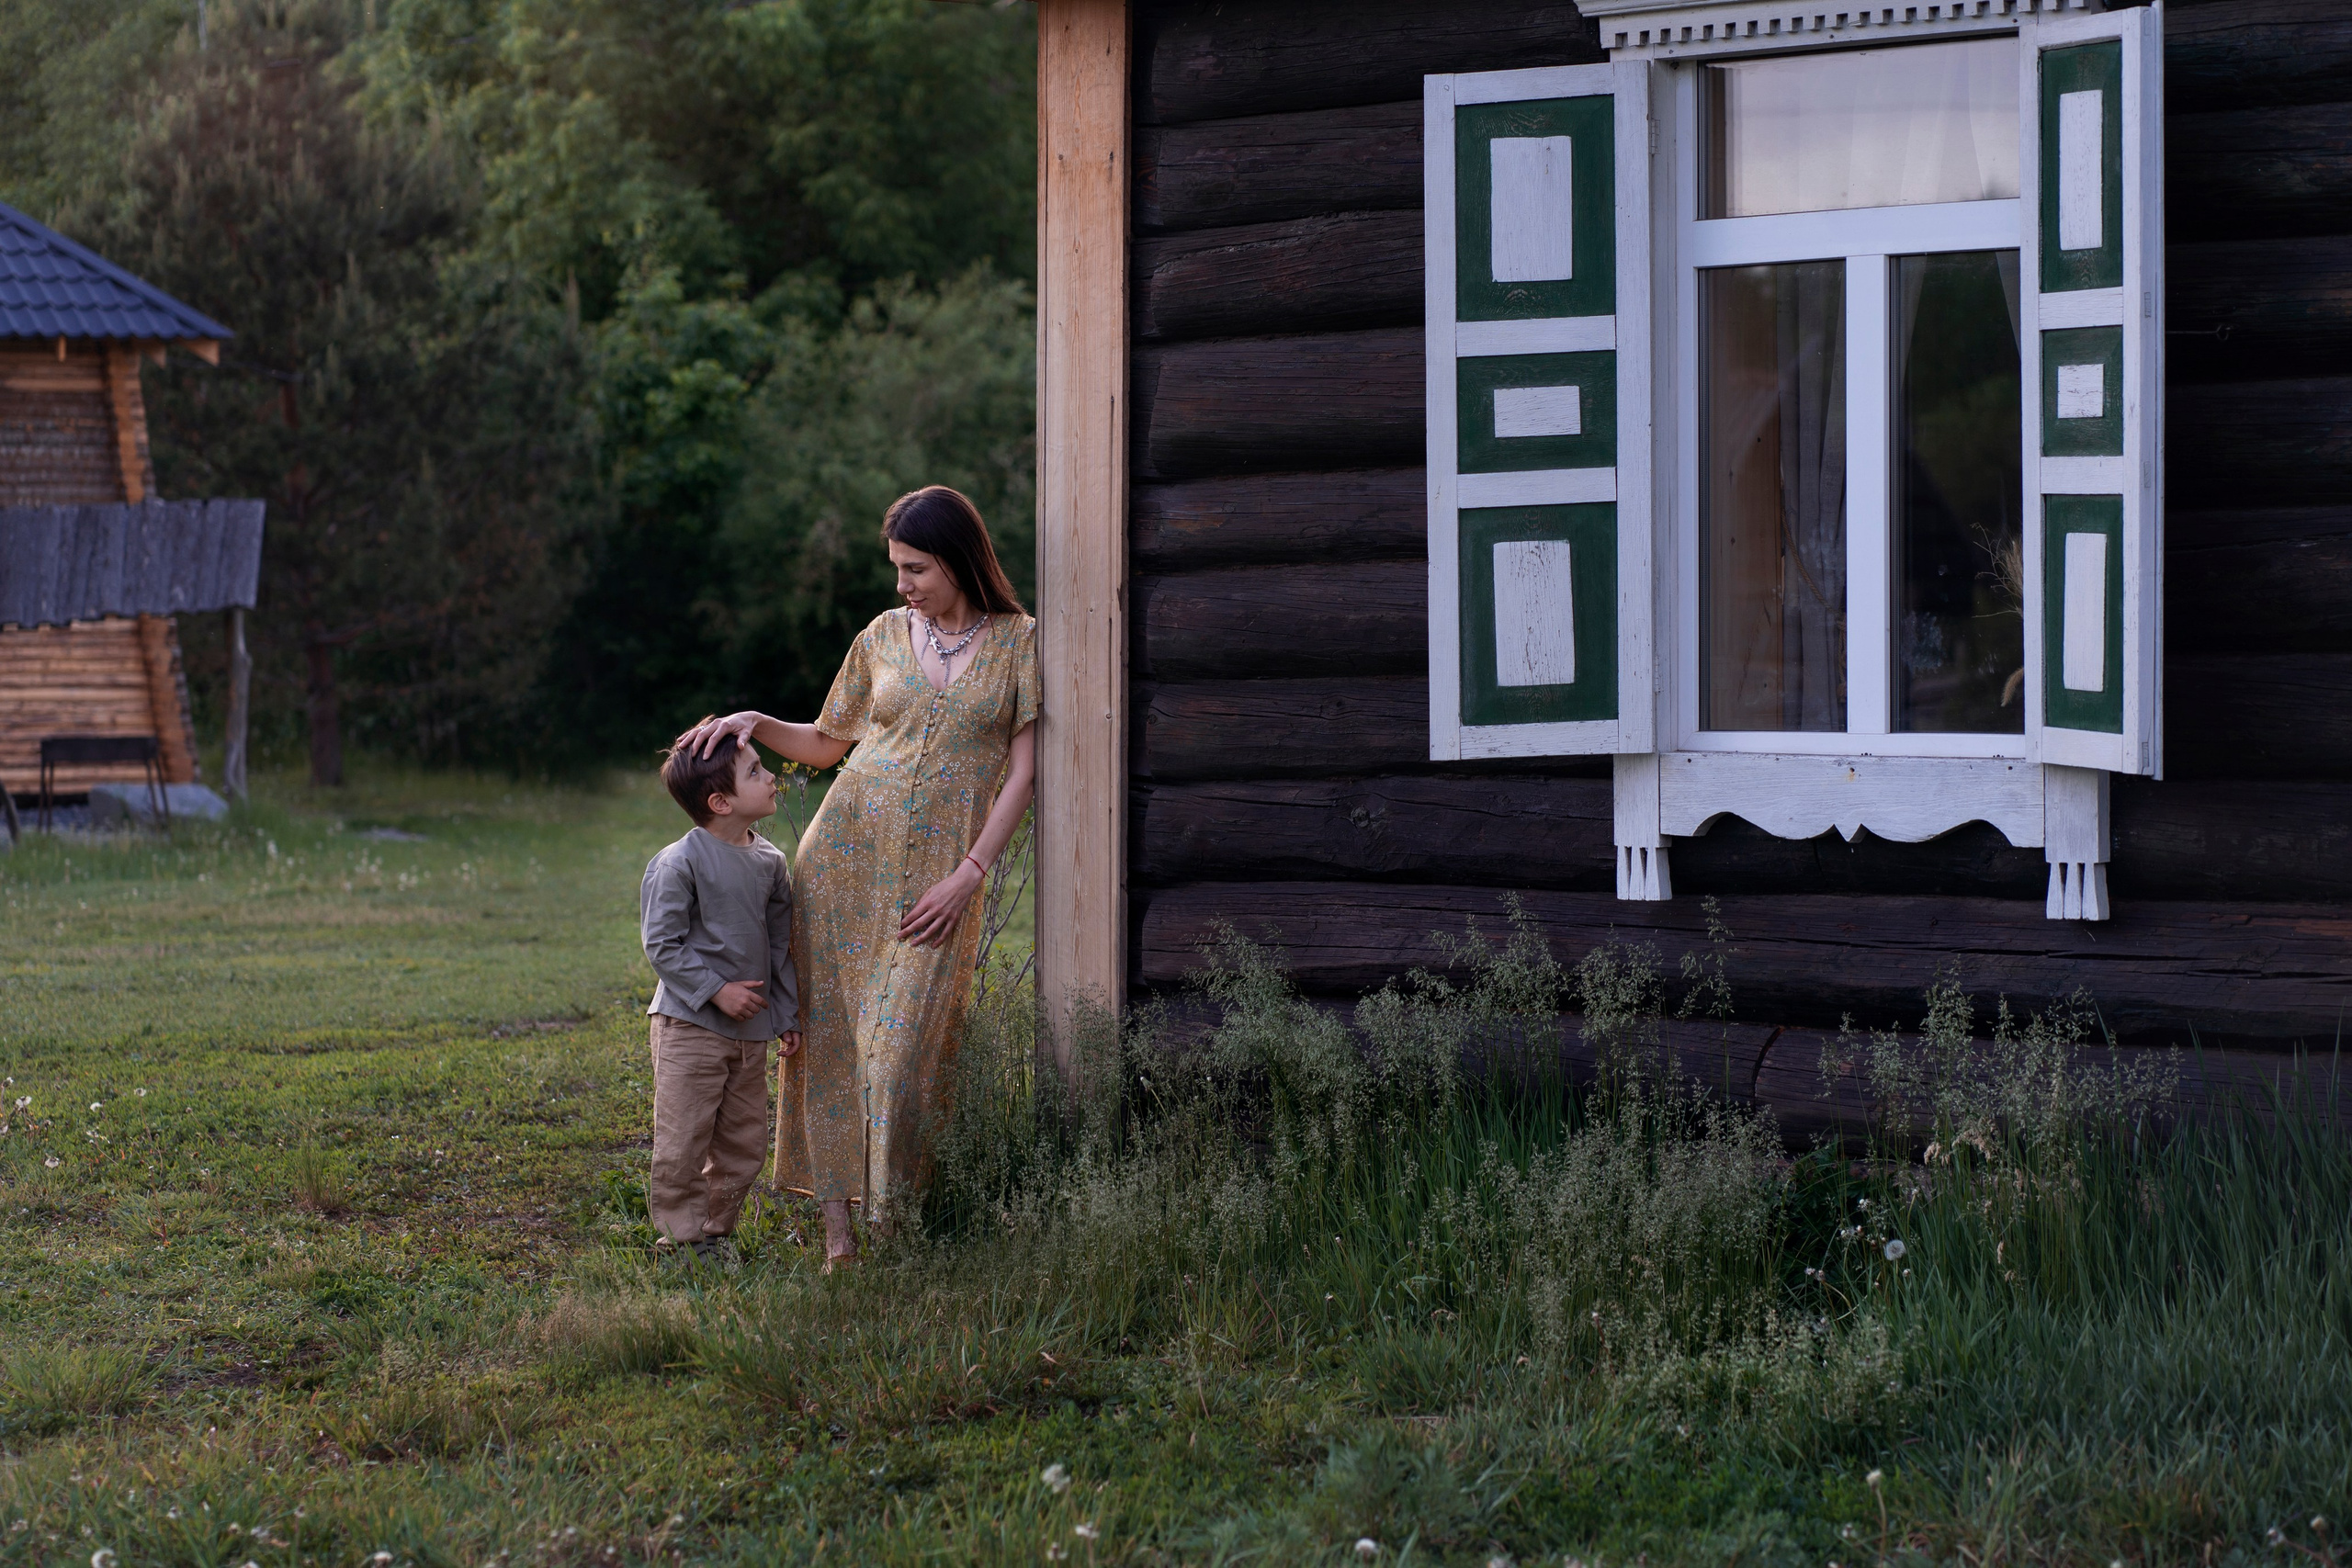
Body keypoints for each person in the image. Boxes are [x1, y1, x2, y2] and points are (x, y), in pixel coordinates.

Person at [686, 485, 1037, 1269]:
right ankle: (841, 1234)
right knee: (830, 1045)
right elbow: (823, 741)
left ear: (957, 559)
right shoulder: (881, 636)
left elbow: (1022, 775)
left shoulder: (1020, 643)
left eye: (915, 568)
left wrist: (970, 874)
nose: (903, 584)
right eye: (897, 568)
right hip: (840, 860)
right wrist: (753, 721)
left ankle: (896, 1221)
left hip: (938, 882)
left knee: (902, 1046)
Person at [639, 727, 803, 1269]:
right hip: (688, 1026)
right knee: (684, 1139)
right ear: (721, 801)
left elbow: (780, 946)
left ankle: (715, 1233)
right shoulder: (679, 862)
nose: (771, 776)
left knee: (744, 1144)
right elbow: (661, 943)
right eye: (755, 771)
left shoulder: (770, 864)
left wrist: (785, 1014)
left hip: (749, 1034)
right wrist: (716, 991)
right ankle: (680, 1241)